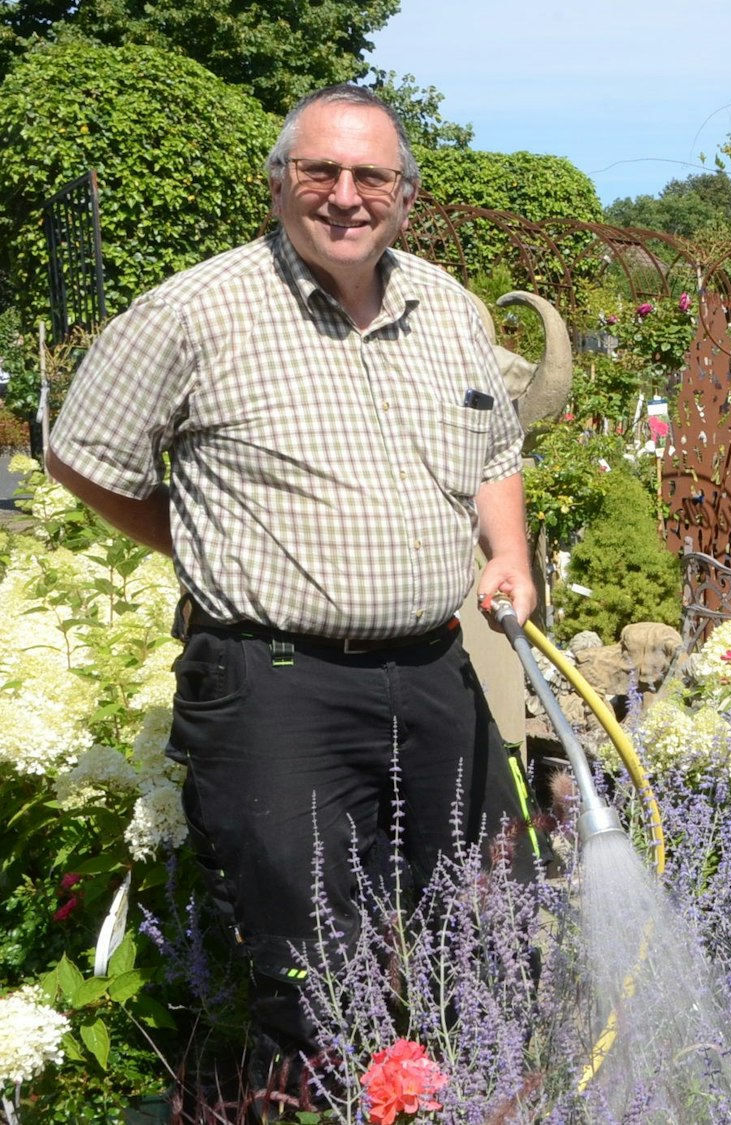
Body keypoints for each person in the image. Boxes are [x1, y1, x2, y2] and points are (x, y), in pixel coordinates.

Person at [45, 84, 538, 1078]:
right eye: (320, 171)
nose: (345, 195)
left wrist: (509, 553)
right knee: (311, 958)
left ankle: (469, 1096)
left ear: (406, 196)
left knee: (483, 925)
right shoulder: (192, 311)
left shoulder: (446, 307)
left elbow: (497, 440)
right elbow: (80, 455)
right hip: (276, 684)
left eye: (371, 176)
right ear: (277, 185)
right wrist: (201, 547)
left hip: (439, 672)